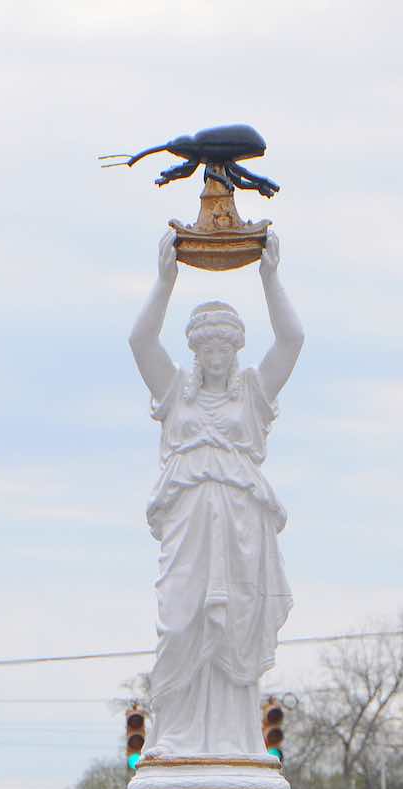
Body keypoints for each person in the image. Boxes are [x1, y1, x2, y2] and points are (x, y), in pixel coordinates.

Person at [129, 229, 304, 758]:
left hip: (241, 526)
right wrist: (164, 282)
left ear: (236, 350)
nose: (216, 358)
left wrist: (270, 280)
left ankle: (235, 739)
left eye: (225, 348)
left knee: (234, 628)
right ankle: (176, 736)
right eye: (206, 348)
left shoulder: (252, 393)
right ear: (195, 352)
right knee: (183, 618)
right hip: (187, 525)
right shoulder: (175, 392)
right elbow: (140, 342)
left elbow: (292, 341)